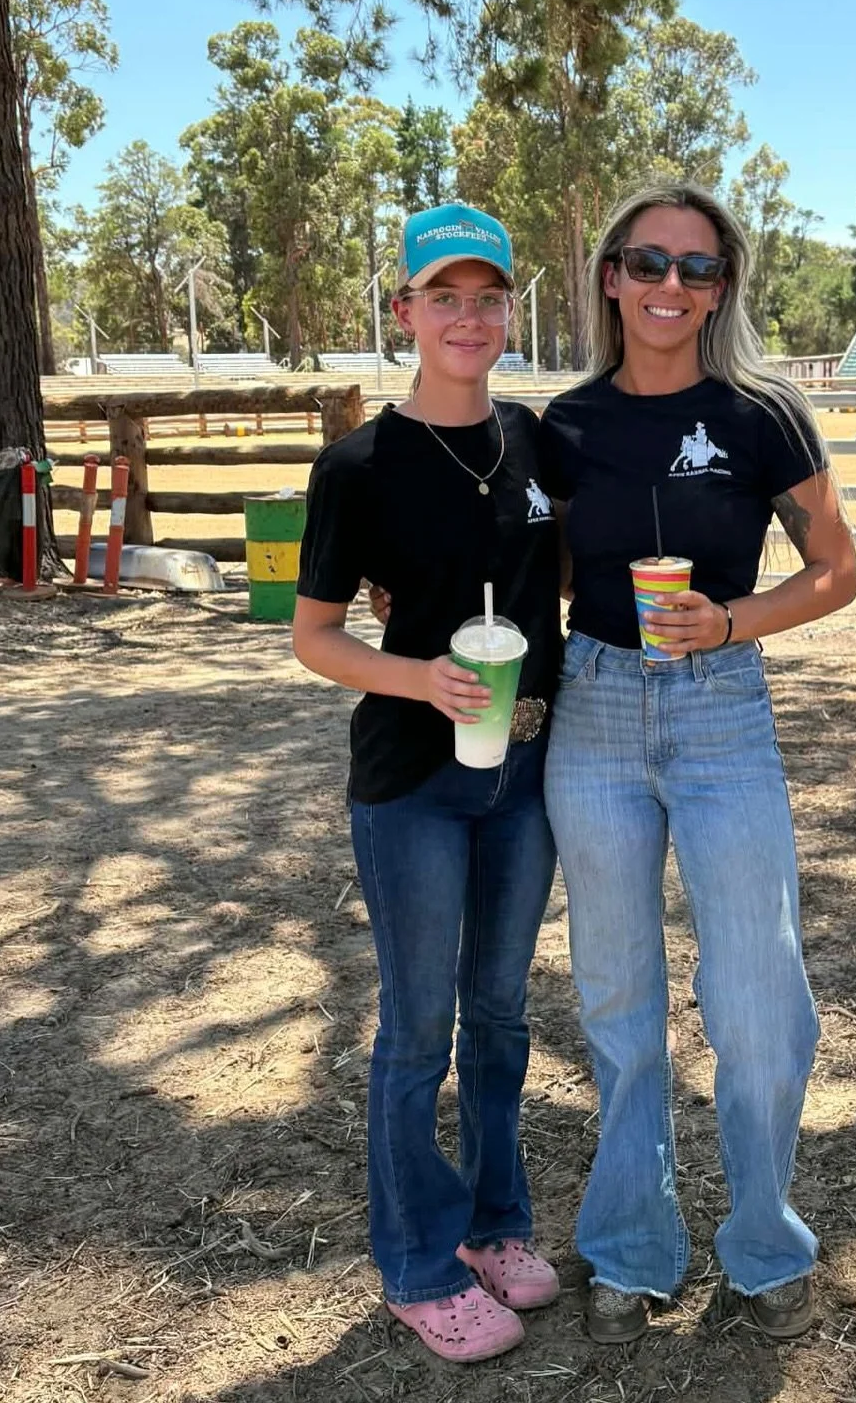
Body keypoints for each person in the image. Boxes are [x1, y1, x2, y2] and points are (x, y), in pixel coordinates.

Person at [537, 181, 856, 1344]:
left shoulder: (764, 412)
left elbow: (835, 568)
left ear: (723, 288)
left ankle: (765, 1244)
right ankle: (631, 1245)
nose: (673, 286)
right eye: (649, 263)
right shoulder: (560, 426)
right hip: (597, 710)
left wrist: (730, 624)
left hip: (724, 710)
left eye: (699, 268)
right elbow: (550, 580)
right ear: (611, 277)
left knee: (760, 999)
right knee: (619, 1000)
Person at [292, 204, 563, 1364]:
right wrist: (420, 676)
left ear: (511, 311)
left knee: (502, 1014)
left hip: (532, 773)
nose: (467, 317)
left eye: (486, 296)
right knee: (418, 1029)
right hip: (412, 780)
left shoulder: (537, 438)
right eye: (441, 297)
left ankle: (496, 1225)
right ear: (403, 313)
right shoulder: (358, 464)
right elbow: (313, 637)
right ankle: (414, 1261)